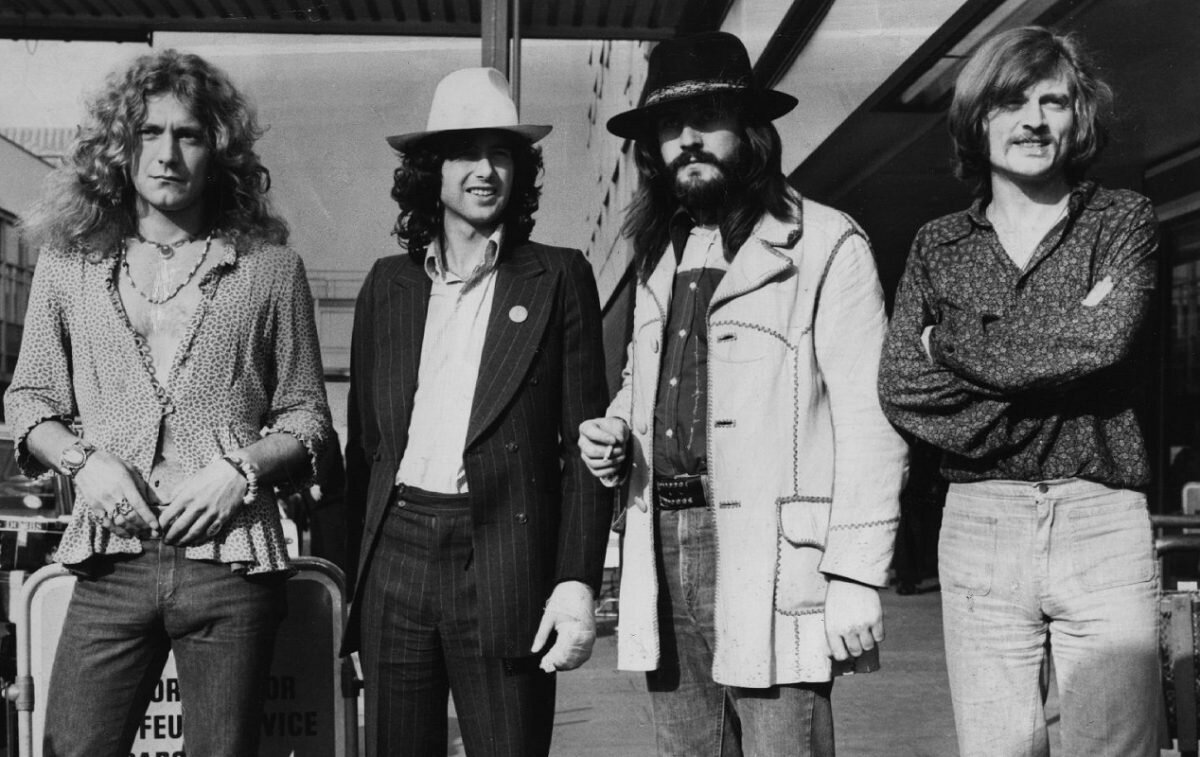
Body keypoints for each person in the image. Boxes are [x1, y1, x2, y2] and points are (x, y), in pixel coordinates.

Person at [579, 32, 907, 756]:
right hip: (662, 542)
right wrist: (614, 429)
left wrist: (856, 572)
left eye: (708, 118)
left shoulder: (825, 243)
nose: (688, 140)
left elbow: (870, 420)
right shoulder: (659, 253)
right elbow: (645, 382)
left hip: (771, 551)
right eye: (670, 125)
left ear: (751, 129)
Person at [3, 49, 331, 756]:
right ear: (120, 147)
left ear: (219, 151)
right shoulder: (68, 264)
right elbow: (28, 398)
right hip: (110, 560)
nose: (168, 154)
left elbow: (307, 415)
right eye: (149, 133)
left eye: (188, 135)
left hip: (232, 562)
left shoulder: (271, 270)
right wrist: (84, 463)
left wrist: (240, 471)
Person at [878, 26, 1161, 757]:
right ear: (977, 119)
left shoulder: (1121, 220)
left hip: (1101, 517)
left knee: (1116, 748)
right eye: (1011, 101)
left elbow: (1103, 342)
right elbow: (902, 389)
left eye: (1052, 101)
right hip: (980, 520)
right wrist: (1057, 361)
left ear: (1078, 117)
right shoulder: (938, 244)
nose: (1033, 120)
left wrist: (949, 344)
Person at [342, 67, 611, 757]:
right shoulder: (387, 285)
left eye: (502, 154)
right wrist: (347, 587)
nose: (486, 171)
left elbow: (585, 453)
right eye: (466, 153)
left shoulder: (559, 276)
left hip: (503, 560)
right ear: (431, 171)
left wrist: (576, 580)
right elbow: (363, 450)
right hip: (396, 556)